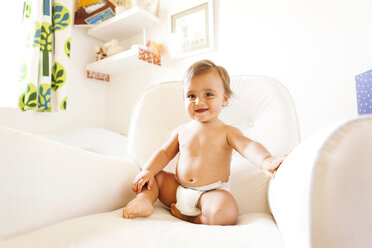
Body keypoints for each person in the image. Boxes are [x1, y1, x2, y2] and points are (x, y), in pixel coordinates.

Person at [122, 59, 288, 225]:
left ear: (224, 99)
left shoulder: (227, 132)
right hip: (178, 189)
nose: (198, 102)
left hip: (209, 194)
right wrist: (148, 171)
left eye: (208, 94)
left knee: (226, 212)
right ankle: (143, 200)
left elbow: (248, 146)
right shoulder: (181, 131)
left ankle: (191, 217)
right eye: (191, 96)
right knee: (155, 178)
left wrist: (266, 160)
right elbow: (164, 153)